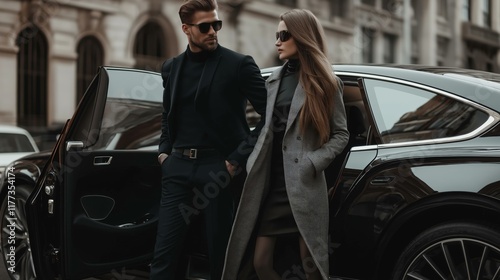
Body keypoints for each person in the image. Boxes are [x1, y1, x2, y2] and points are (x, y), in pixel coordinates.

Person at [222, 9, 349, 280]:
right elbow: (265, 130)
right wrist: (240, 158)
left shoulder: (327, 83)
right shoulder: (273, 81)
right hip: (271, 184)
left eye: (283, 35)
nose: (277, 41)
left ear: (302, 37)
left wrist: (314, 162)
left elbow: (341, 135)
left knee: (310, 264)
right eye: (276, 35)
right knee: (260, 262)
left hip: (303, 184)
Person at [150, 0, 267, 279]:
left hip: (218, 169)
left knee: (221, 258)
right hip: (177, 168)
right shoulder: (171, 67)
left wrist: (236, 160)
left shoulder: (239, 65)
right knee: (163, 257)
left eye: (217, 24)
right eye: (205, 27)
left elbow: (273, 116)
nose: (213, 31)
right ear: (186, 29)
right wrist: (164, 153)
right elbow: (168, 115)